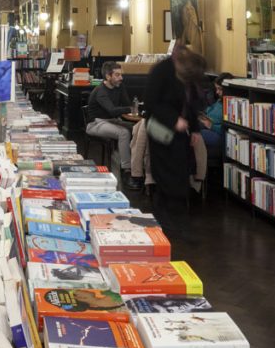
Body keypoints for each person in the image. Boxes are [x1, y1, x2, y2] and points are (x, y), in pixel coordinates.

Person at [144, 44, 207, 228]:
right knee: (164, 174)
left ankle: (176, 220)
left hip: (181, 132)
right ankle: (164, 220)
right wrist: (173, 120)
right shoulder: (161, 71)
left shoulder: (189, 74)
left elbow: (191, 103)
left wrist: (195, 129)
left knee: (180, 172)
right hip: (160, 130)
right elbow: (151, 101)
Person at [86, 62, 141, 190]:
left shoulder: (119, 87)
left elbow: (126, 104)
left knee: (137, 129)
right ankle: (126, 171)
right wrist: (132, 107)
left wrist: (131, 107)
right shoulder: (100, 91)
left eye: (121, 74)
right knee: (124, 133)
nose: (121, 78)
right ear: (108, 76)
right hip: (96, 123)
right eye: (117, 75)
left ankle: (129, 162)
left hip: (113, 121)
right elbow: (112, 110)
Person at [197, 72, 233, 152]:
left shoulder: (230, 106)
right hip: (207, 125)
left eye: (220, 89)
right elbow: (211, 110)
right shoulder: (220, 101)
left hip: (217, 133)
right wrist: (203, 115)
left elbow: (227, 129)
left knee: (196, 134)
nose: (217, 92)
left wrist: (211, 126)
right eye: (216, 89)